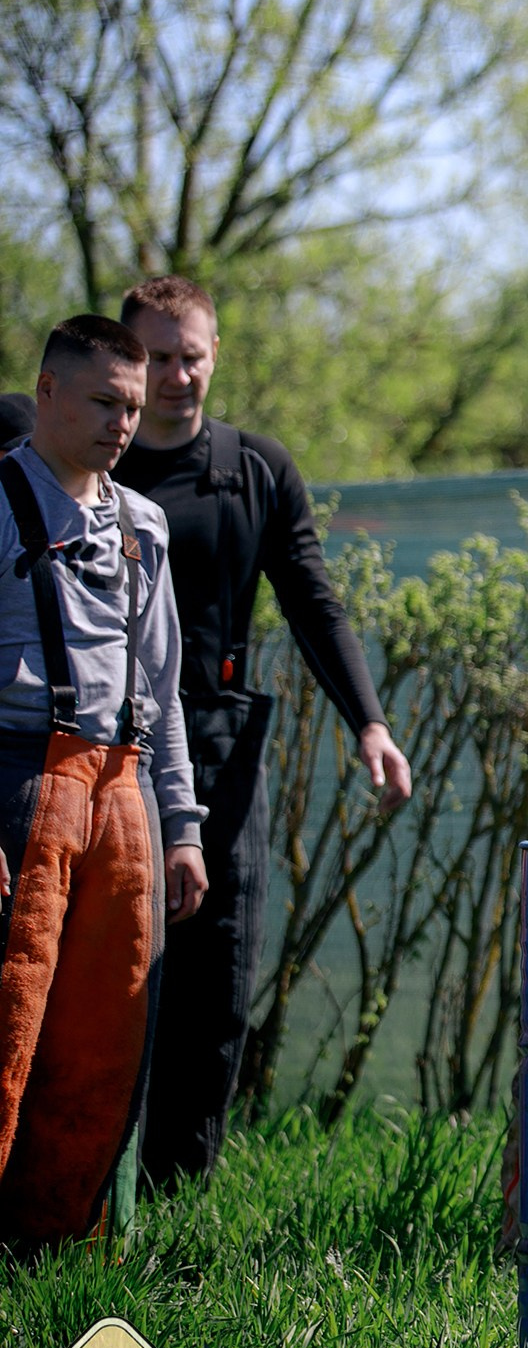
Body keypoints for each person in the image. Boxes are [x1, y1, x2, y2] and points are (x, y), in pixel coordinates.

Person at [112, 275, 413, 1188]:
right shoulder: (92, 462)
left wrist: (369, 721)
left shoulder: (254, 470)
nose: (175, 376)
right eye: (156, 357)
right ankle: (83, 1189)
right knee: (110, 975)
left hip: (216, 751)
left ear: (215, 356)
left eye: (190, 355)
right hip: (98, 749)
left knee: (214, 981)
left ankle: (180, 1188)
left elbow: (313, 603)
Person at [0, 316, 206, 1246]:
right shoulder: (1, 500)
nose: (126, 422)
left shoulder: (143, 524)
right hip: (18, 780)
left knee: (106, 1031)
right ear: (46, 391)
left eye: (134, 406)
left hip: (121, 790)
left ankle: (55, 1248)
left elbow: (162, 691)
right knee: (8, 1025)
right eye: (106, 401)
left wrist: (183, 826)